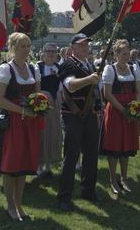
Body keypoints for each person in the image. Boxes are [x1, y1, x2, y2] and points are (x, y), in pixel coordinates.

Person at [0, 32, 44, 221]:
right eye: (23, 46)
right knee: (11, 164)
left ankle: (19, 204)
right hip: (13, 123)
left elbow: (38, 96)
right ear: (13, 48)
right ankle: (10, 206)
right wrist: (22, 111)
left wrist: (40, 107)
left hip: (29, 123)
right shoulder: (6, 69)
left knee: (23, 164)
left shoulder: (33, 69)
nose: (27, 49)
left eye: (29, 46)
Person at [57, 33, 100, 212]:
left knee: (91, 154)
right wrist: (89, 79)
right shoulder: (68, 64)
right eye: (81, 45)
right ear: (73, 47)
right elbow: (71, 85)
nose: (85, 47)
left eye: (87, 45)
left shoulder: (89, 65)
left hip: (89, 115)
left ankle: (88, 190)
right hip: (72, 115)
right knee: (71, 156)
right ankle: (64, 196)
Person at [101, 39, 140, 194]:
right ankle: (113, 180)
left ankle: (124, 179)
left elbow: (138, 90)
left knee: (127, 147)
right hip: (115, 112)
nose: (127, 56)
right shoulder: (110, 69)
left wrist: (135, 107)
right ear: (116, 54)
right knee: (114, 147)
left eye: (128, 53)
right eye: (123, 54)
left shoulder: (134, 68)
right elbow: (107, 94)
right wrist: (124, 110)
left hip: (130, 111)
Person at [36, 43, 62, 178]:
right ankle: (39, 165)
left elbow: (62, 87)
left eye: (53, 51)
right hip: (41, 105)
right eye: (48, 51)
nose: (51, 54)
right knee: (42, 133)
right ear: (43, 52)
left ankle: (48, 164)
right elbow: (35, 87)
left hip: (56, 104)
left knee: (53, 132)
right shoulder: (37, 67)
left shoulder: (59, 67)